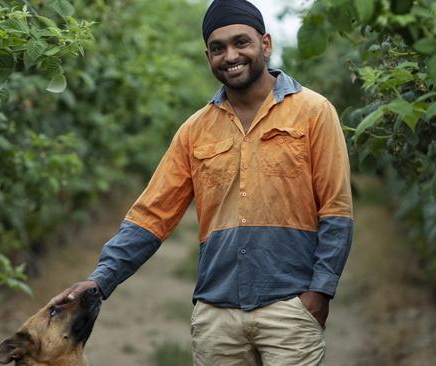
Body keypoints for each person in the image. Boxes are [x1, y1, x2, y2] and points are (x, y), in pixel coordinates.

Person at [48, 0, 353, 364]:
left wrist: (319, 292)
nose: (231, 55)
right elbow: (152, 215)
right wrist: (101, 280)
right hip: (216, 316)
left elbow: (336, 211)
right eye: (218, 48)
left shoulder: (314, 112)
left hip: (290, 308)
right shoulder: (195, 130)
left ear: (265, 44)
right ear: (207, 55)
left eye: (242, 42)